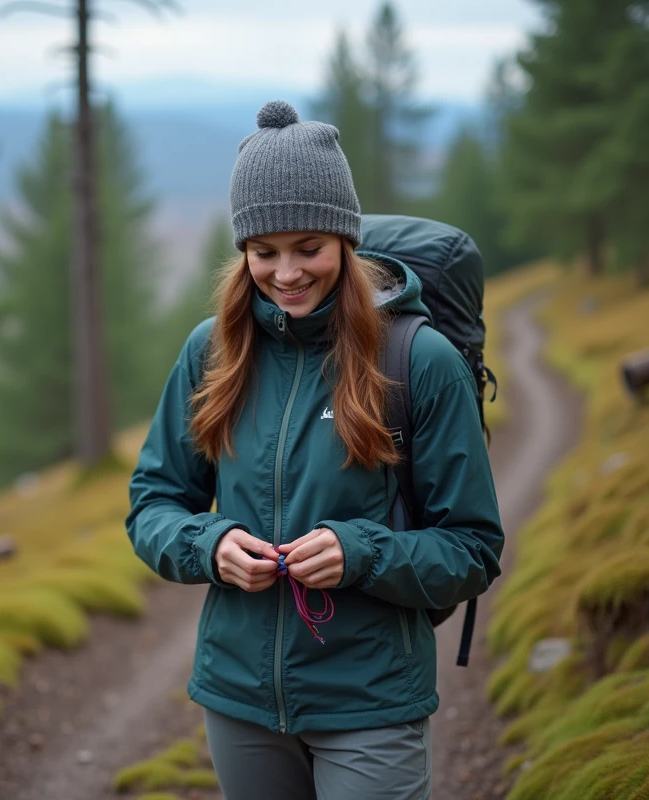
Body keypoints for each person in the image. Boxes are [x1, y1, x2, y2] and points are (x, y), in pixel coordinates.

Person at [125, 99, 504, 800]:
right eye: (264, 252)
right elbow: (153, 504)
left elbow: (474, 548)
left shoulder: (418, 359)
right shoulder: (211, 350)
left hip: (370, 699)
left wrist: (361, 553)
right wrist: (210, 545)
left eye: (309, 248)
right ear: (242, 251)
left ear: (345, 240)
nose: (287, 272)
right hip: (237, 701)